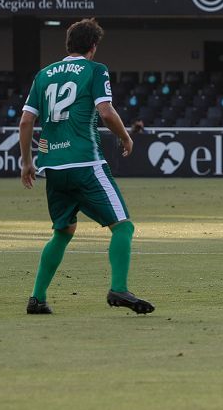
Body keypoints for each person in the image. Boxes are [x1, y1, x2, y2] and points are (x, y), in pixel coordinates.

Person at [19, 18, 153, 316]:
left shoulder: (43, 75)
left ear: (68, 44)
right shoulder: (95, 70)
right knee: (123, 226)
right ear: (93, 47)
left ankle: (37, 298)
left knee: (63, 230)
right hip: (86, 163)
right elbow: (105, 112)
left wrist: (28, 162)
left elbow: (27, 120)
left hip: (52, 167)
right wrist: (125, 136)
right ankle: (118, 286)